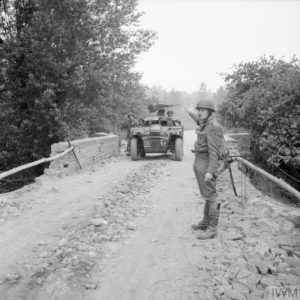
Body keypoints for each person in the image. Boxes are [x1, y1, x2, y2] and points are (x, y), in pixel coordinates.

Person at [186, 99, 225, 239]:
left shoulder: (214, 127)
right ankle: (205, 222)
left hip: (207, 163)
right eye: (199, 110)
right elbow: (198, 120)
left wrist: (210, 171)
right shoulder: (205, 123)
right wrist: (190, 112)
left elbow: (214, 152)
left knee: (211, 196)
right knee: (206, 195)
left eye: (202, 110)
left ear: (209, 112)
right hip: (199, 161)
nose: (200, 113)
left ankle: (212, 228)